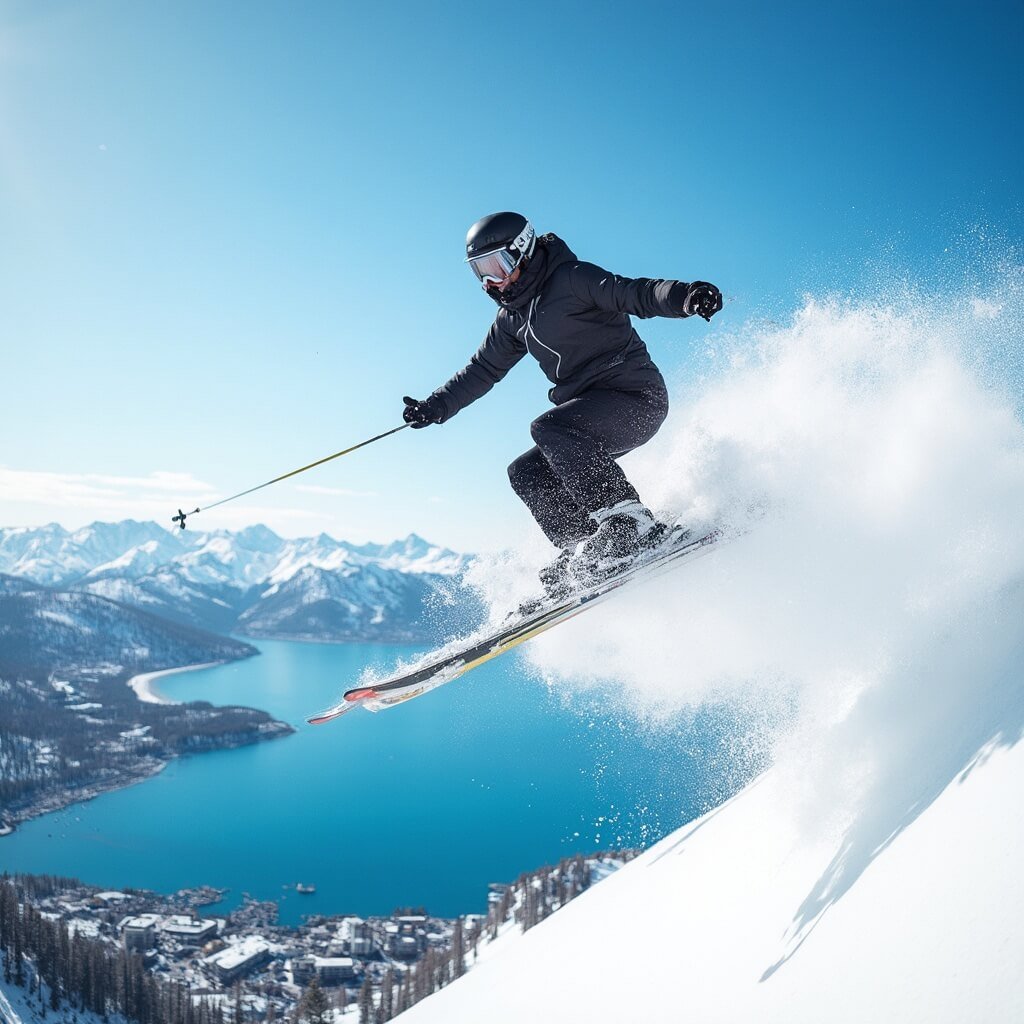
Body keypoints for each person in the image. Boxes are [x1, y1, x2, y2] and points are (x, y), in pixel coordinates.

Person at [402, 211, 722, 598]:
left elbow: (635, 292)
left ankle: (630, 523)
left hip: (635, 398)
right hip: (588, 417)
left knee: (548, 428)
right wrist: (435, 407)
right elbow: (483, 369)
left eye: (496, 266)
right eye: (479, 271)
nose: (490, 281)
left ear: (521, 251)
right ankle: (589, 546)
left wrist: (685, 297)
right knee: (526, 471)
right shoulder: (512, 318)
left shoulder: (572, 279)